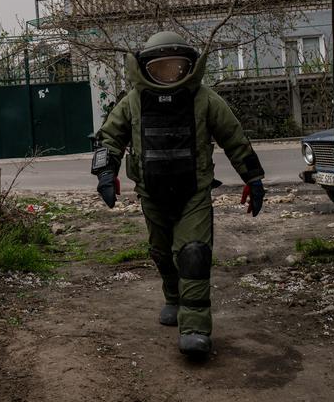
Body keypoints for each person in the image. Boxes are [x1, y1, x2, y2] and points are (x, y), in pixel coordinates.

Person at [91, 31, 266, 358]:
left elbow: (234, 138)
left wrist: (253, 178)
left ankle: (195, 328)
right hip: (152, 195)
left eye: (177, 67)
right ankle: (173, 297)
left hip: (194, 194)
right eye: (162, 68)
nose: (170, 74)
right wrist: (105, 173)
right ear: (146, 69)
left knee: (193, 253)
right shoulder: (132, 102)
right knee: (162, 253)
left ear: (190, 67)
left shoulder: (204, 99)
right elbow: (109, 139)